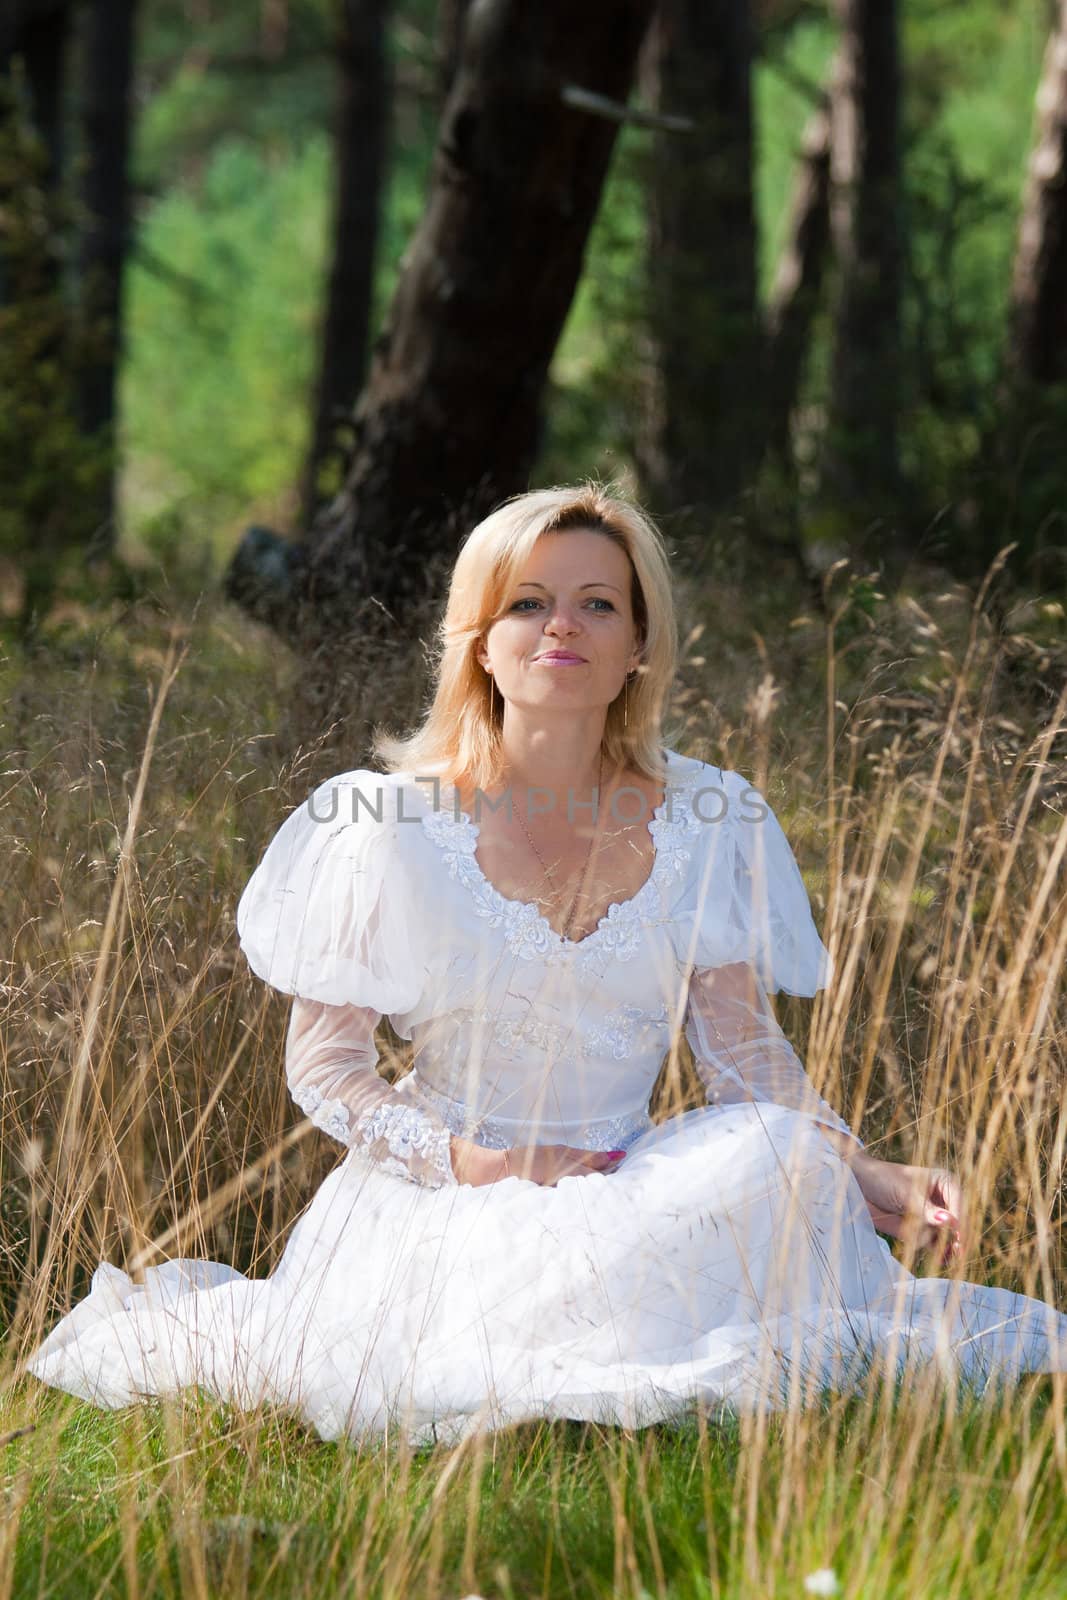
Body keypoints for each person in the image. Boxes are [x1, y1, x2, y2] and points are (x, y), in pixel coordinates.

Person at [26, 484, 1067, 1445]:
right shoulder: (382, 821)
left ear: (639, 646)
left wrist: (857, 1165)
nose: (560, 625)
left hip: (627, 1181)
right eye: (526, 602)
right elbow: (326, 1068)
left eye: (596, 605)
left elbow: (741, 1045)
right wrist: (476, 1161)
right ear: (478, 641)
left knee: (774, 1155)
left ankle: (644, 1309)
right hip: (444, 1195)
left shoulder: (712, 816)